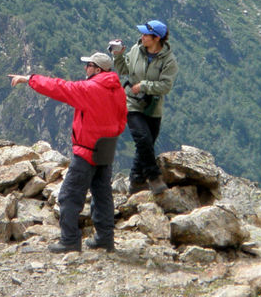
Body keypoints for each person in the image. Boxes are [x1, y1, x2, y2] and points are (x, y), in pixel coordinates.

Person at [9, 51, 127, 253]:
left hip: (87, 152)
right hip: (106, 150)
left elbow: (58, 87)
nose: (85, 68)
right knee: (103, 195)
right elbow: (122, 119)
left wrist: (29, 79)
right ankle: (105, 239)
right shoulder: (117, 90)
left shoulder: (90, 89)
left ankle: (70, 240)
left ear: (97, 69)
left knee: (69, 196)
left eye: (88, 65)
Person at [109, 19, 178, 195]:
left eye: (146, 34)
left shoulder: (169, 61)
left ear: (157, 38)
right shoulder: (136, 49)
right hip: (131, 101)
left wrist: (144, 86)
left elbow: (166, 86)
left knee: (146, 144)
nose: (142, 37)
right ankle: (154, 177)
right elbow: (124, 69)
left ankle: (136, 181)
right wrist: (117, 55)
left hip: (153, 107)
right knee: (143, 139)